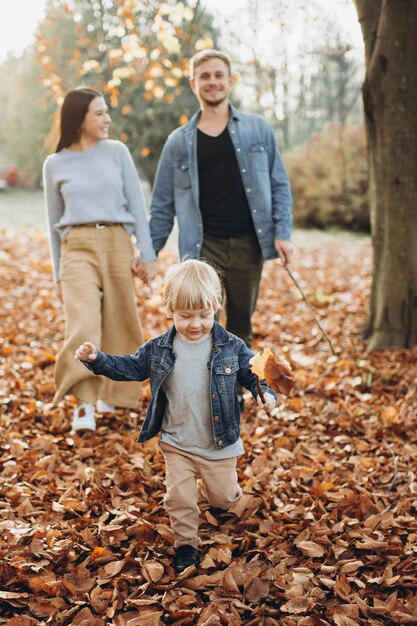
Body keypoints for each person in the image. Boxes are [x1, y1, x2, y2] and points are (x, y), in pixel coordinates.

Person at [74, 259, 277, 573]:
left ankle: (235, 498)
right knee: (179, 497)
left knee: (222, 499)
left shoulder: (230, 346)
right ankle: (186, 546)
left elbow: (253, 373)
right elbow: (129, 367)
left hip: (218, 445)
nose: (195, 323)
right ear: (170, 310)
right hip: (177, 441)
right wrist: (97, 360)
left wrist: (266, 395)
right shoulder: (159, 349)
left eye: (203, 315)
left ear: (215, 307)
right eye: (185, 316)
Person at [149, 48, 293, 350]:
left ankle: (235, 394)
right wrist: (150, 251)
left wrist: (283, 232)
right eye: (204, 76)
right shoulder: (178, 142)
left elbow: (278, 183)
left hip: (248, 244)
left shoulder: (258, 129)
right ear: (193, 84)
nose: (212, 82)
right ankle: (205, 395)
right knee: (199, 328)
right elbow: (162, 204)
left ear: (231, 80)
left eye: (218, 75)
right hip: (202, 246)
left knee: (241, 327)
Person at [43, 87, 156, 433]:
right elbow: (53, 222)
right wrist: (58, 271)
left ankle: (116, 396)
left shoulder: (117, 152)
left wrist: (147, 253)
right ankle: (84, 403)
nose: (107, 119)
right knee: (83, 324)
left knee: (122, 322)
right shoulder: (55, 163)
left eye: (107, 112)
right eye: (99, 113)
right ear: (79, 119)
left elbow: (137, 205)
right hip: (76, 245)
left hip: (117, 242)